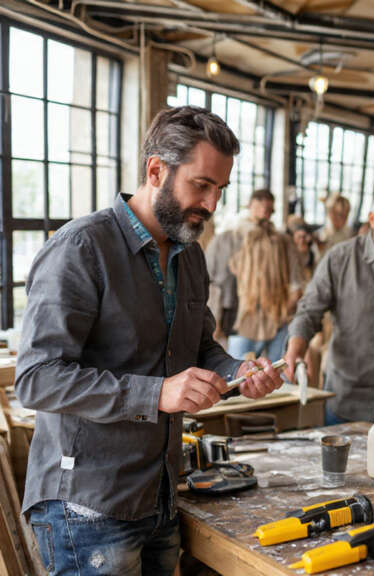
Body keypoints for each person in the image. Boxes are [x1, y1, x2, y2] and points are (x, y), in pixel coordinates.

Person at [16, 106, 284, 576]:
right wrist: (157, 393)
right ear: (156, 170)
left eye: (219, 189)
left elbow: (201, 350)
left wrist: (237, 372)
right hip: (88, 506)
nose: (211, 204)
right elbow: (37, 379)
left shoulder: (190, 257)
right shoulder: (82, 249)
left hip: (160, 496)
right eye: (200, 185)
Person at [285, 185, 374, 425]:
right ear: (372, 219)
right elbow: (309, 311)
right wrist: (295, 348)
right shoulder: (340, 258)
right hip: (348, 398)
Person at [205, 188, 277, 343]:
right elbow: (209, 280)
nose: (265, 214)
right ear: (250, 206)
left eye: (269, 210)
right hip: (228, 311)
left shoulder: (275, 243)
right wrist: (213, 318)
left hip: (263, 315)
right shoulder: (225, 239)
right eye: (261, 208)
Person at [228, 219, 298, 361]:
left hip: (269, 322)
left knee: (239, 373)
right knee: (238, 371)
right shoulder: (252, 250)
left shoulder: (249, 253)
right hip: (249, 323)